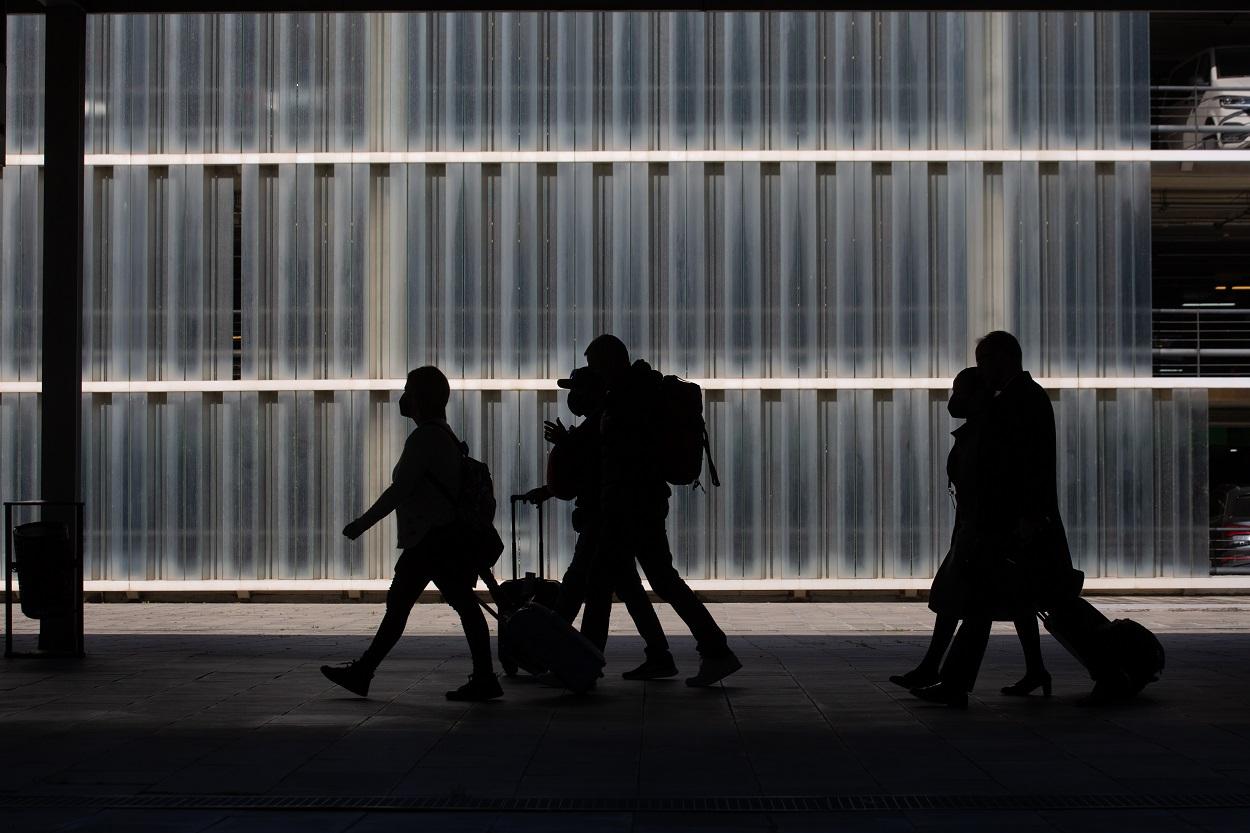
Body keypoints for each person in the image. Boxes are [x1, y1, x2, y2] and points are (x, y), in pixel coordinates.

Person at [911, 332, 1075, 709]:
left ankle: (951, 682)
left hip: (1009, 525)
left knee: (983, 603)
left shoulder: (1021, 400)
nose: (982, 367)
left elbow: (1026, 467)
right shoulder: (1018, 398)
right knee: (1010, 601)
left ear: (1005, 357)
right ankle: (1030, 671)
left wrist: (1028, 517)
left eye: (985, 358)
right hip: (1006, 523)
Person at [320, 366, 503, 702]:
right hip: (440, 538)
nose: (403, 397)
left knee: (410, 606)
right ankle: (482, 676)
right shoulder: (444, 435)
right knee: (450, 605)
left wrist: (362, 524)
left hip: (431, 541)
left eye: (408, 390)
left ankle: (367, 672)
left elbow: (399, 491)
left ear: (419, 398)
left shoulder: (424, 438)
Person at [581, 334, 742, 687]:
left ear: (610, 363)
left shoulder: (628, 397)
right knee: (660, 580)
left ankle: (583, 665)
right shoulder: (638, 390)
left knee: (601, 581)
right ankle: (711, 650)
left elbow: (623, 459)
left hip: (629, 507)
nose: (593, 374)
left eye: (596, 367)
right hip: (643, 503)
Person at [890, 366, 1051, 696]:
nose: (953, 399)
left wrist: (977, 533)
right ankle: (1032, 670)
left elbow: (992, 489)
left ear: (978, 395)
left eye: (959, 392)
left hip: (982, 534)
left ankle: (943, 676)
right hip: (979, 531)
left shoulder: (988, 435)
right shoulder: (985, 431)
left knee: (963, 601)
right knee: (1010, 601)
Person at [523, 366, 677, 680]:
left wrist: (566, 444)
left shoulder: (602, 424)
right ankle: (657, 655)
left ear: (593, 392)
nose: (572, 397)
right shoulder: (600, 423)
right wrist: (548, 490)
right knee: (624, 589)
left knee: (578, 588)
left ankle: (565, 658)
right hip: (607, 518)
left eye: (576, 390)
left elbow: (593, 473)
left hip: (601, 520)